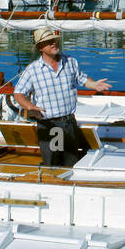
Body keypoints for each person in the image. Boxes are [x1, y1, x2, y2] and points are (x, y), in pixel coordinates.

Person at [13, 28, 112, 168]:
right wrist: (30, 107)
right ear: (41, 47)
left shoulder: (70, 62)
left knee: (71, 162)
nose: (54, 44)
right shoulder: (33, 70)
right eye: (48, 42)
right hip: (51, 125)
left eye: (54, 40)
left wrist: (94, 84)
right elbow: (18, 94)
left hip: (70, 122)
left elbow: (82, 79)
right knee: (54, 164)